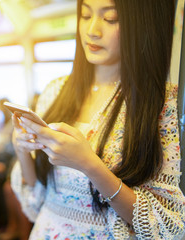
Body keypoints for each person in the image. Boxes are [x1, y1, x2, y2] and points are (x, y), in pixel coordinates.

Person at [10, 0, 185, 239]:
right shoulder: (55, 91)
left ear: (140, 25)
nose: (92, 30)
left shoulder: (162, 105)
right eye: (85, 15)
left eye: (110, 18)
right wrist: (21, 147)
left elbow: (167, 226)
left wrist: (89, 165)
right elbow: (37, 199)